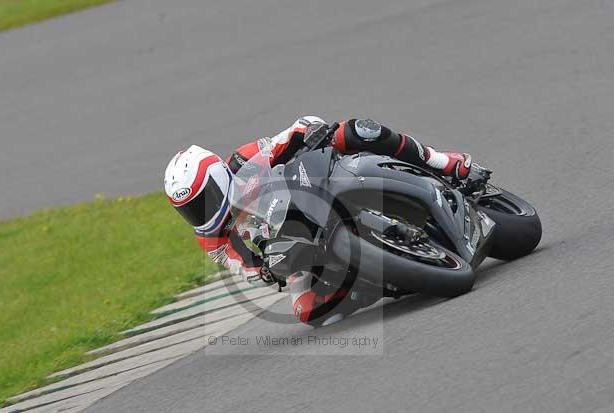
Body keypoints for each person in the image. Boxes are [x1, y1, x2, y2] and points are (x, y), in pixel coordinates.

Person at [163, 116, 488, 326]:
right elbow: (241, 262)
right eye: (191, 209)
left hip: (314, 186)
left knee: (356, 130)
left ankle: (444, 163)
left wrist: (309, 130)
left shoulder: (242, 160)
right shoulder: (211, 237)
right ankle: (376, 280)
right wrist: (261, 269)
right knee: (306, 309)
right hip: (293, 240)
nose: (200, 213)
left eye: (203, 199)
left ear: (219, 176)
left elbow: (287, 136)